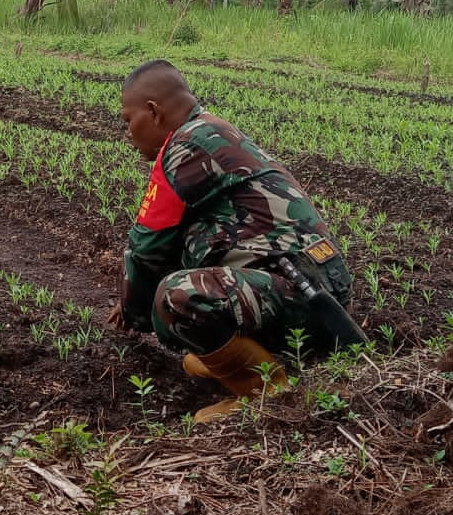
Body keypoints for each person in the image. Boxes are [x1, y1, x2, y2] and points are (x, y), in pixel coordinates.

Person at [112, 60, 353, 423]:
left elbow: (147, 246)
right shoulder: (210, 131)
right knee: (189, 271)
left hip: (304, 293)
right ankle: (246, 358)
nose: (127, 133)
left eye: (128, 120)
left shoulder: (184, 146)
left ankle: (267, 395)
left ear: (153, 112)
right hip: (313, 286)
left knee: (178, 297)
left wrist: (133, 313)